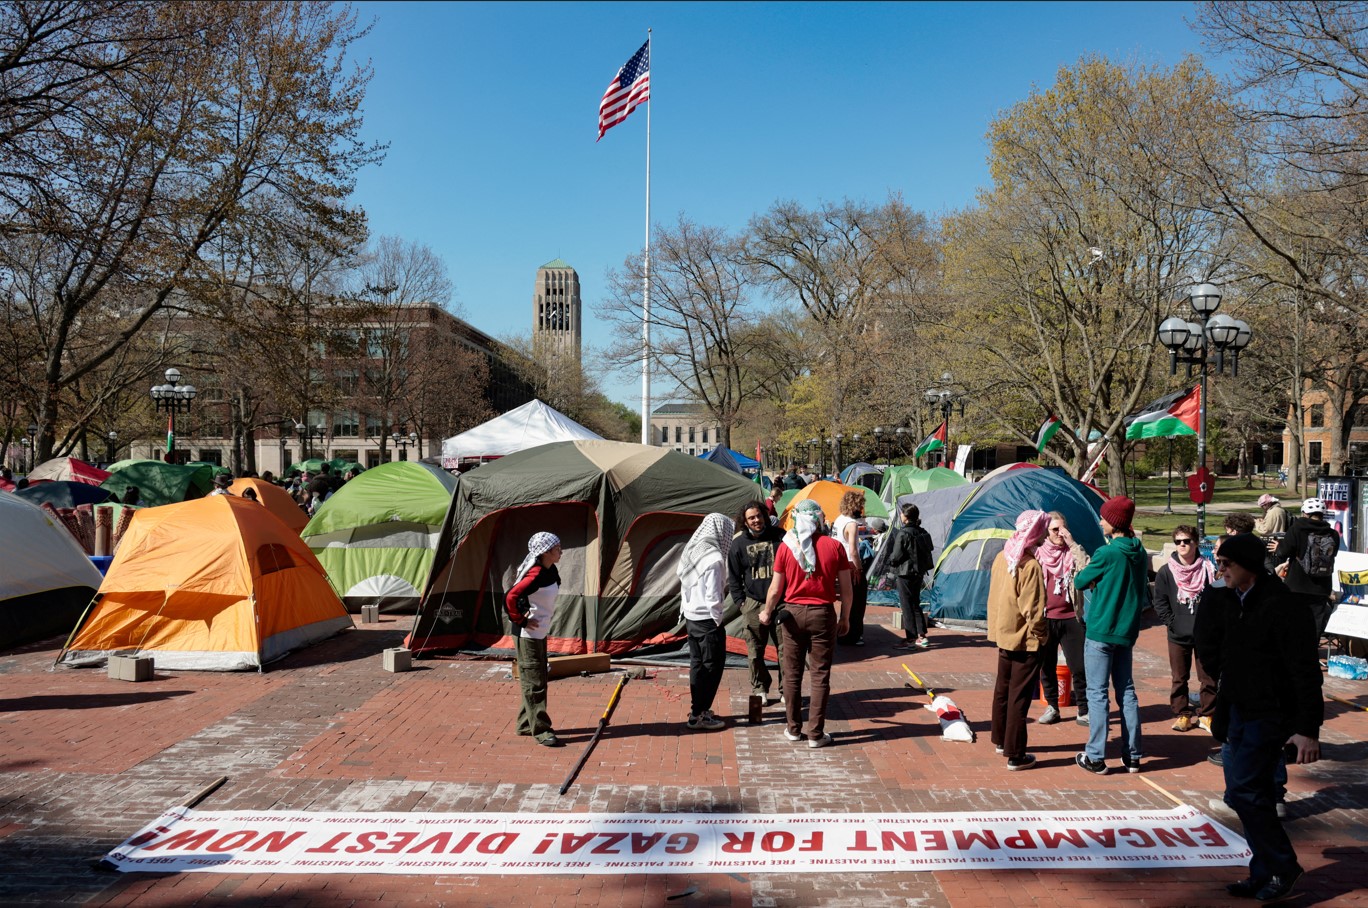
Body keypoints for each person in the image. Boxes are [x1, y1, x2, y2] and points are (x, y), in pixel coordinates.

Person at [1195, 533, 1321, 904]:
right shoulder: (1229, 600)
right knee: (1247, 794)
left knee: (1245, 791)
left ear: (1248, 566)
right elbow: (1210, 646)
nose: (1221, 570)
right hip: (1236, 713)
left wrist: (1306, 730)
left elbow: (1305, 673)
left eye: (1227, 564)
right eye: (1219, 563)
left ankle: (1283, 864)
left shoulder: (1282, 606)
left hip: (1268, 716)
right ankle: (1263, 869)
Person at [760, 499, 852, 749]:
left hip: (792, 613)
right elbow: (846, 588)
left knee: (792, 674)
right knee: (820, 675)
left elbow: (776, 588)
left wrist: (767, 612)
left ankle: (793, 728)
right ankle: (815, 733)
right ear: (819, 519)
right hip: (822, 612)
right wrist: (845, 616)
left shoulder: (785, 547)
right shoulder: (834, 546)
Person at [1073, 496, 1149, 775]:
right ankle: (1133, 755)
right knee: (1126, 691)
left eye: (1104, 518)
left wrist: (1093, 575)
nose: (1100, 521)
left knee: (1097, 693)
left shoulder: (1107, 553)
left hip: (1102, 630)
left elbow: (1080, 580)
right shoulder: (1138, 551)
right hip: (1126, 631)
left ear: (1115, 523)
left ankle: (1095, 755)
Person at [986, 510, 1050, 770]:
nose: (1046, 535)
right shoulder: (1029, 565)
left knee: (1003, 689)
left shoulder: (1004, 556)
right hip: (1024, 639)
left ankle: (1001, 739)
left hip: (1004, 633)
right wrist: (1042, 634)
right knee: (1018, 697)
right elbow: (1033, 608)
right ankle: (1015, 753)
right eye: (1044, 530)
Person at [1152, 525, 1217, 733]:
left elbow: (1216, 598)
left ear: (1195, 543)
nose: (1182, 545)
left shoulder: (1208, 568)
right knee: (1179, 677)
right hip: (1178, 634)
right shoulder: (1166, 571)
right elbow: (1160, 601)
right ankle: (1182, 714)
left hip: (1204, 633)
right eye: (1178, 541)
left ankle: (1208, 715)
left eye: (1187, 541)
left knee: (1207, 676)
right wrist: (1173, 622)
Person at [504, 532, 564, 747]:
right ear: (546, 552)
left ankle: (525, 724)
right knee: (534, 681)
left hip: (539, 632)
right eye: (557, 548)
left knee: (537, 677)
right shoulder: (536, 573)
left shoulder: (550, 569)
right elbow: (510, 596)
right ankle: (541, 730)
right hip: (527, 635)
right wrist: (521, 620)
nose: (561, 551)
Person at [678, 513, 735, 731]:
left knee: (697, 664)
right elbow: (714, 596)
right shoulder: (714, 558)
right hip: (707, 620)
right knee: (711, 667)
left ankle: (698, 709)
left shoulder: (693, 548)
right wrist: (717, 619)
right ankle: (698, 714)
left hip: (691, 616)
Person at [1034, 511, 1090, 725]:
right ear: (1046, 532)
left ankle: (1083, 709)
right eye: (1054, 530)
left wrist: (1072, 543)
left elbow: (1087, 567)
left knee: (1079, 666)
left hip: (1070, 618)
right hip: (1046, 617)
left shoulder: (1072, 552)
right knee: (1046, 665)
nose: (1059, 533)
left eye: (1062, 529)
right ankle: (1052, 706)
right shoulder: (1039, 553)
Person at [727, 501, 786, 704]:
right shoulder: (738, 544)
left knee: (785, 649)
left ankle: (785, 690)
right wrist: (741, 603)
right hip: (752, 602)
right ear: (745, 521)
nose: (756, 520)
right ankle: (759, 688)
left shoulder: (780, 537)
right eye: (751, 518)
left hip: (781, 602)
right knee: (754, 651)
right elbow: (734, 577)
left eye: (759, 516)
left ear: (765, 515)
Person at [1273, 497, 1340, 636]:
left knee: (1293, 623)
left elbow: (1282, 553)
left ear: (1305, 513)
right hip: (1322, 586)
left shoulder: (1297, 529)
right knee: (1314, 625)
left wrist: (1279, 547)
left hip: (1297, 585)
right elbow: (1333, 554)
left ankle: (1293, 654)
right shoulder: (1332, 533)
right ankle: (1310, 654)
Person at [885, 503, 934, 649]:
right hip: (919, 572)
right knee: (915, 603)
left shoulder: (903, 533)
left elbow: (896, 555)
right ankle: (921, 636)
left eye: (902, 513)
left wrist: (890, 562)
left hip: (905, 573)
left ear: (905, 517)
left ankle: (910, 639)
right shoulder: (922, 531)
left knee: (906, 605)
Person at [833, 490, 868, 646]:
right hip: (850, 564)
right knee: (857, 601)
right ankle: (853, 634)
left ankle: (843, 631)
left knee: (846, 601)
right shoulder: (851, 524)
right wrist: (859, 569)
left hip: (839, 564)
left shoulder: (838, 520)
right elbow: (853, 550)